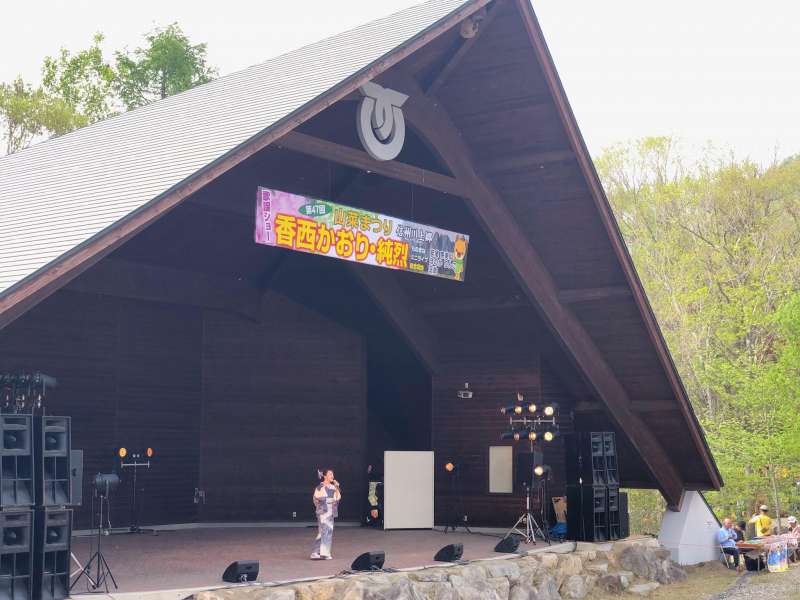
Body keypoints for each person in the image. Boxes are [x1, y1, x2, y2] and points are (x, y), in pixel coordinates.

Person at [310, 468, 341, 560]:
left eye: (332, 474)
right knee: (324, 531)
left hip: (331, 511)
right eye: (330, 474)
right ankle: (319, 552)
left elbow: (337, 498)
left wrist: (337, 487)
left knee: (328, 531)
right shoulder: (320, 487)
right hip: (323, 511)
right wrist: (323, 505)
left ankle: (321, 552)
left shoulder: (333, 487)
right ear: (324, 476)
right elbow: (317, 499)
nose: (332, 476)